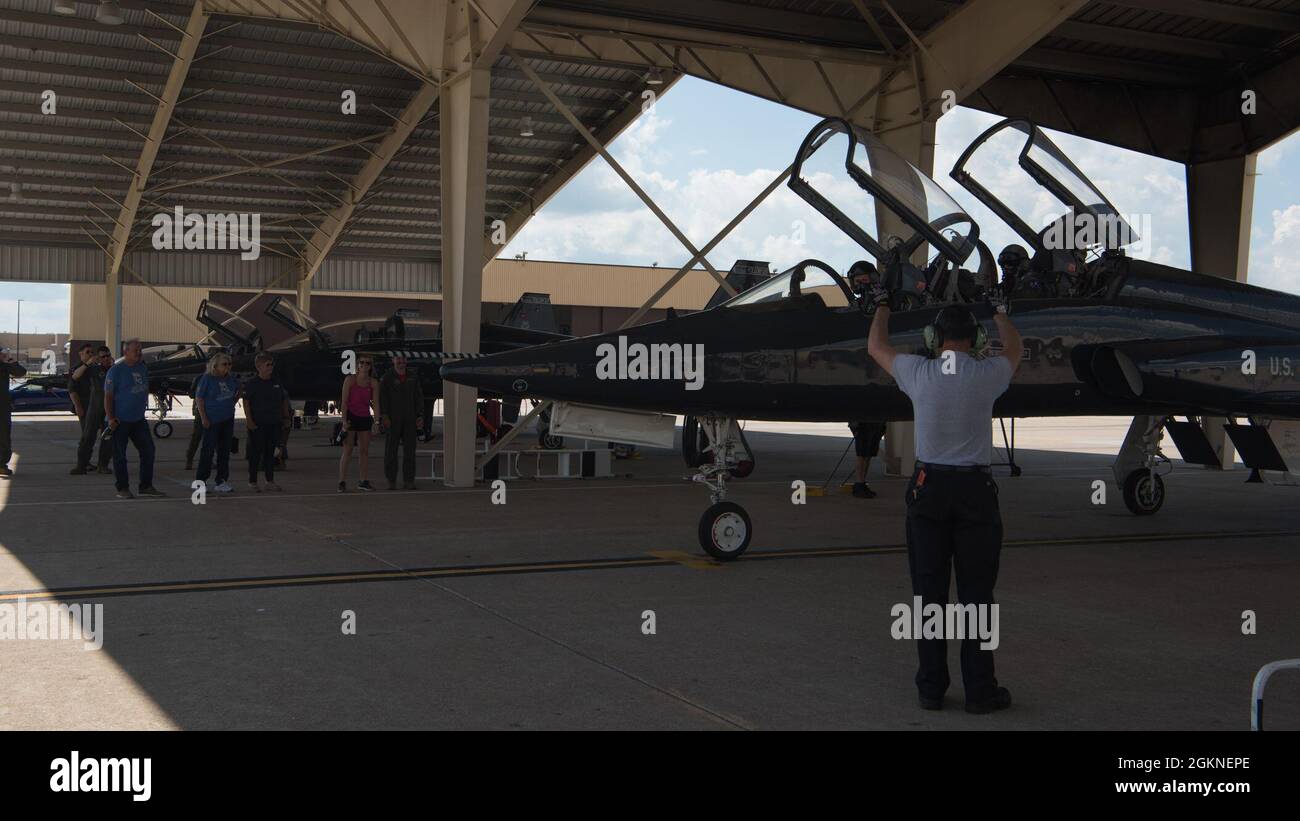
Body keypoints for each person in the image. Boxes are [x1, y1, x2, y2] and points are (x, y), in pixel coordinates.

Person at [866, 281, 1022, 715]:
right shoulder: (988, 374)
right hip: (975, 492)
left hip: (928, 489)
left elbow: (875, 345)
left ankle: (931, 689)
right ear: (975, 341)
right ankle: (980, 692)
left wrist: (882, 304)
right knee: (977, 596)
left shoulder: (917, 372)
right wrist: (1001, 313)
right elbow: (1014, 349)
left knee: (928, 594)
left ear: (933, 340)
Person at [104, 339, 165, 499]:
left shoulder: (142, 368)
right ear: (126, 352)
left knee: (148, 451)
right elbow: (108, 397)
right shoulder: (116, 371)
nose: (139, 353)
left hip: (138, 420)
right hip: (119, 420)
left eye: (140, 350)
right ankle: (122, 488)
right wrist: (111, 418)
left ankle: (146, 486)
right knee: (120, 455)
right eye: (135, 350)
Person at [241, 353, 289, 492]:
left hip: (274, 423)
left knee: (271, 453)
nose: (271, 367)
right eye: (268, 365)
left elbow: (283, 400)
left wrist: (286, 418)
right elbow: (246, 403)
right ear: (259, 366)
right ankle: (253, 481)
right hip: (257, 424)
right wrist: (249, 421)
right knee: (255, 453)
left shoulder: (276, 383)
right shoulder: (252, 384)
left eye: (272, 364)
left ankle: (270, 481)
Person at [194, 353, 240, 494]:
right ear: (216, 366)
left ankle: (221, 480)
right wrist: (204, 418)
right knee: (207, 451)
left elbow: (236, 393)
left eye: (229, 364)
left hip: (227, 419)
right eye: (224, 364)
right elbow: (200, 398)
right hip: (212, 419)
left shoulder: (231, 379)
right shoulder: (207, 379)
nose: (227, 367)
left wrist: (232, 403)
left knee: (224, 451)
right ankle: (200, 482)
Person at [379, 355, 424, 490]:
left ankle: (409, 480)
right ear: (393, 360)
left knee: (410, 451)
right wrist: (384, 415)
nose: (401, 362)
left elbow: (419, 397)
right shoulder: (387, 378)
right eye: (398, 359)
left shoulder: (413, 377)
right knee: (391, 451)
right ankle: (391, 480)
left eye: (403, 359)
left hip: (410, 420)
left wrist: (420, 415)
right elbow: (383, 398)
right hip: (392, 420)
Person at [338, 355, 378, 492]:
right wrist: (344, 421)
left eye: (368, 363)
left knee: (364, 451)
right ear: (357, 365)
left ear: (371, 366)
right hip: (351, 417)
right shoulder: (350, 380)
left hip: (365, 417)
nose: (364, 365)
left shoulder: (373, 383)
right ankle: (342, 482)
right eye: (362, 362)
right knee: (348, 450)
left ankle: (363, 480)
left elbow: (376, 404)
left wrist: (376, 422)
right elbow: (343, 402)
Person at [71, 347, 113, 475]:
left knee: (108, 438)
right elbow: (75, 376)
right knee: (88, 437)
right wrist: (88, 363)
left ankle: (103, 465)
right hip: (95, 408)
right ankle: (81, 466)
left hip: (110, 410)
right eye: (103, 357)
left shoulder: (115, 370)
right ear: (98, 359)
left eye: (108, 356)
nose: (106, 359)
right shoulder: (94, 369)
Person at [0, 348, 27, 478]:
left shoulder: (4, 366)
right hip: (2, 408)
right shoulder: (4, 366)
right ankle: (1, 465)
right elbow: (21, 372)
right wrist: (11, 361)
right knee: (4, 436)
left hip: (3, 406)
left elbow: (20, 372)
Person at [846, 421, 886, 498]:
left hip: (875, 424)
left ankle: (862, 482)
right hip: (862, 424)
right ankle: (859, 484)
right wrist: (854, 426)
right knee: (862, 455)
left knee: (868, 455)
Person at [184, 372, 204, 471]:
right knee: (196, 436)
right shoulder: (200, 378)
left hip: (214, 411)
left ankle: (209, 460)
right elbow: (191, 393)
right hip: (200, 411)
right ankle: (189, 459)